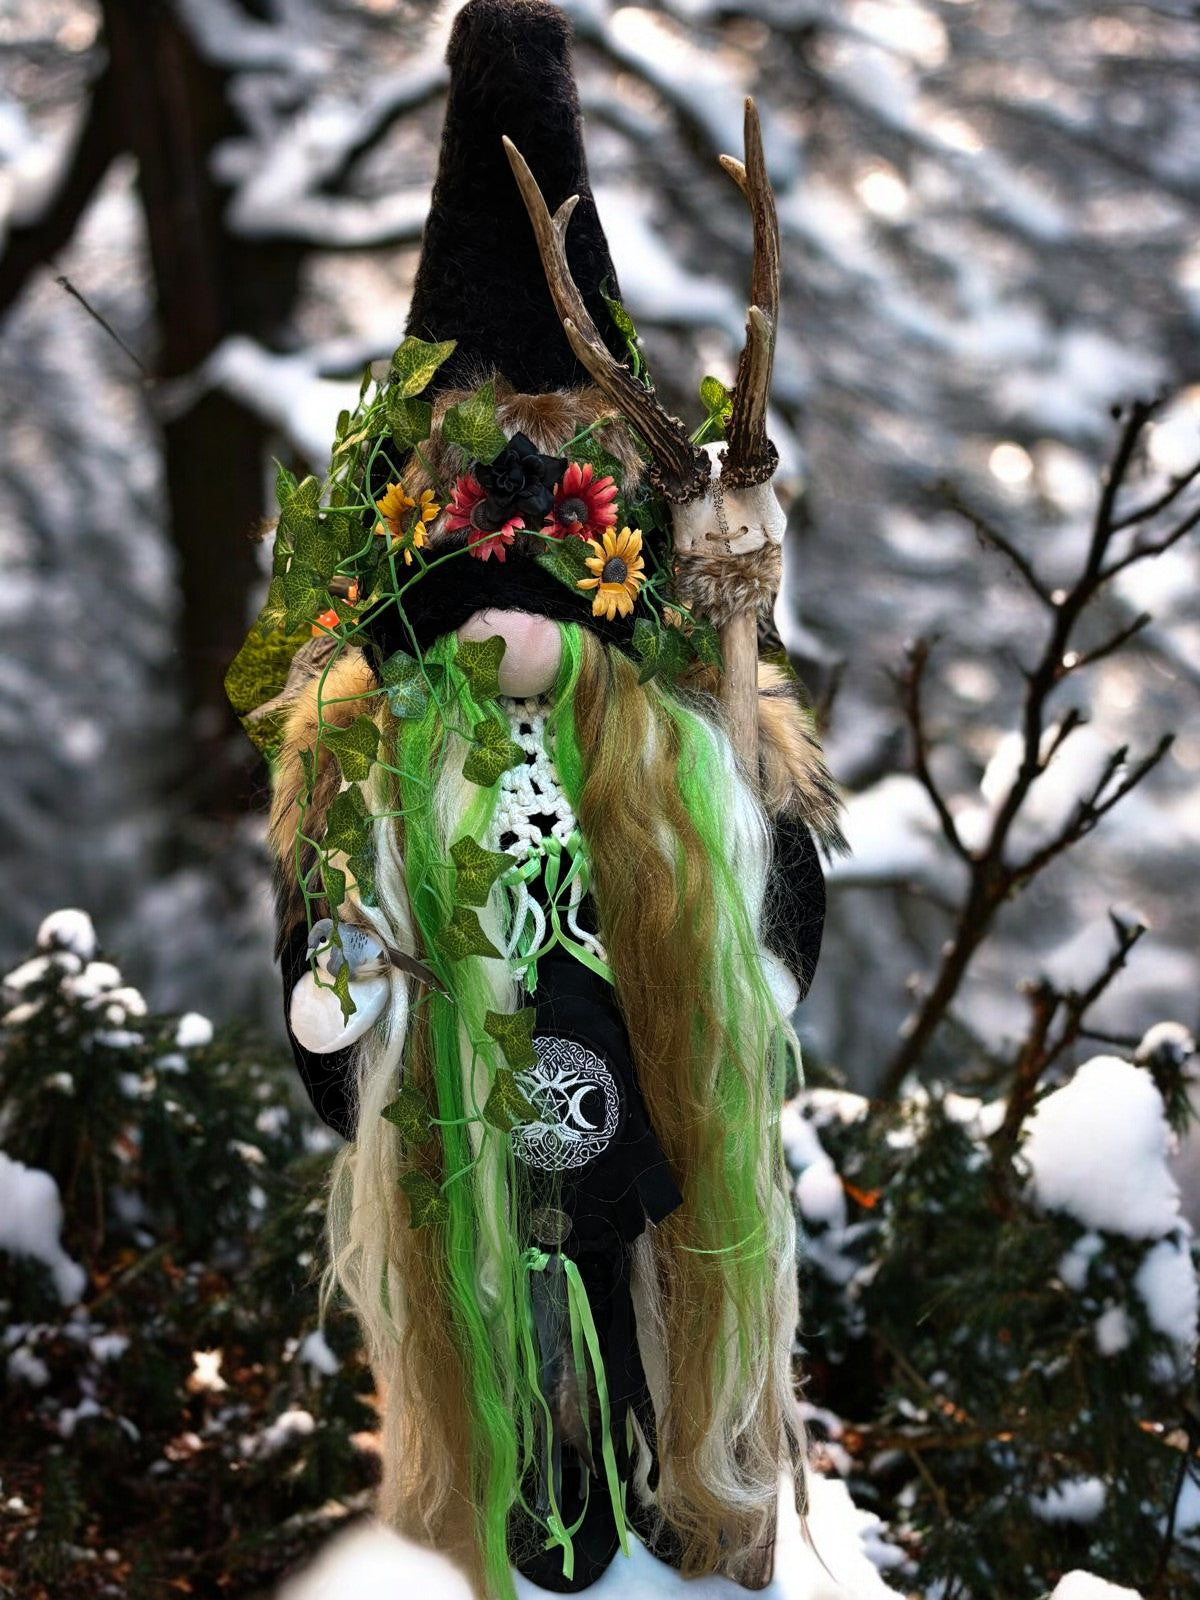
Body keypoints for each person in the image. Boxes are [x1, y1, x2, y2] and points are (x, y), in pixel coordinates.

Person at [238, 2, 842, 1593]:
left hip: (647, 1149)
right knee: (486, 1359)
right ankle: (499, 1515)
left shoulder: (684, 748)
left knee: (660, 1329)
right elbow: (323, 1017)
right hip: (462, 1140)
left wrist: (736, 723)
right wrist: (343, 975)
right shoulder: (376, 761)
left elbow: (776, 940)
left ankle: (677, 1504)